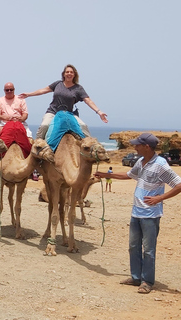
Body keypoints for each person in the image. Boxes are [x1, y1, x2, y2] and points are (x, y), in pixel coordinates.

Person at [95, 133, 181, 294]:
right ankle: (136, 278)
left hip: (151, 215)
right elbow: (129, 175)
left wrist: (160, 198)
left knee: (148, 250)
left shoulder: (161, 164)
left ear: (146, 147)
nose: (134, 147)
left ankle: (147, 281)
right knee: (133, 247)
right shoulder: (141, 162)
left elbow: (178, 184)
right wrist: (106, 175)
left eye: (137, 145)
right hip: (136, 213)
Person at [20, 64, 108, 139]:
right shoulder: (58, 84)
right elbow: (43, 90)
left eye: (71, 72)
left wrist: (99, 112)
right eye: (67, 72)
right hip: (53, 112)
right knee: (44, 126)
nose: (69, 74)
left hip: (68, 114)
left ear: (74, 75)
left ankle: (91, 147)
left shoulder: (78, 88)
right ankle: (38, 147)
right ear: (64, 74)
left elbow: (88, 100)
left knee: (83, 126)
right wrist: (29, 94)